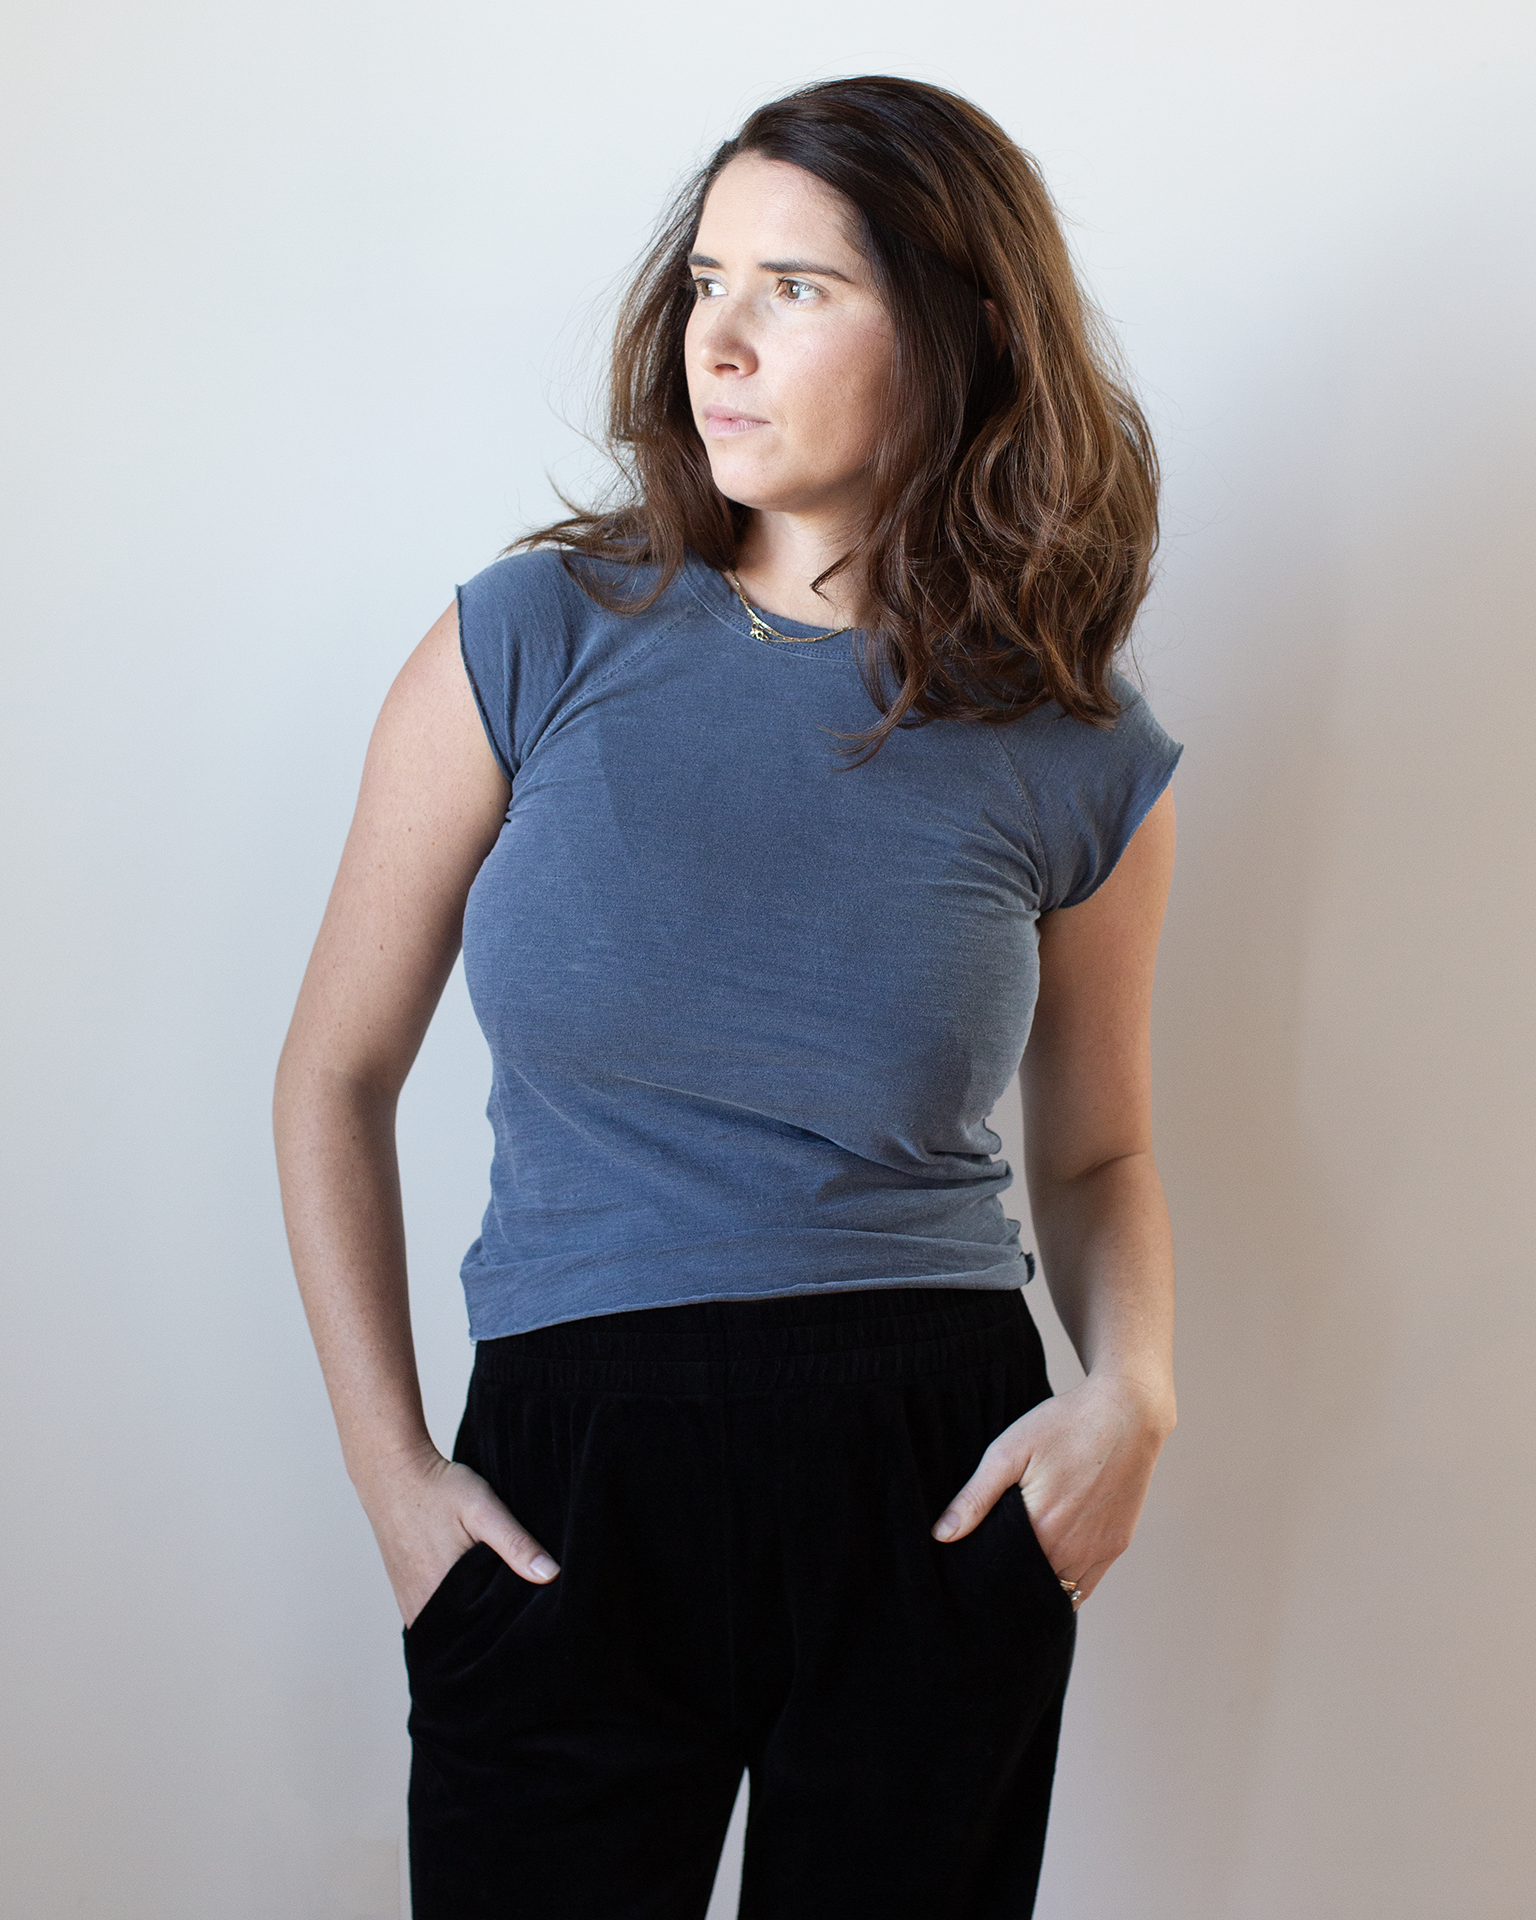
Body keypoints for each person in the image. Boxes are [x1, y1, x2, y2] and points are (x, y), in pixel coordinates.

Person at [274, 73, 1181, 1920]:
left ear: (960, 327)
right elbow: (332, 1077)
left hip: (929, 1476)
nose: (722, 341)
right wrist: (392, 1479)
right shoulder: (529, 641)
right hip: (566, 1483)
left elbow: (1098, 1155)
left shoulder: (1078, 749)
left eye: (799, 288)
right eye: (707, 282)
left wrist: (1137, 1398)